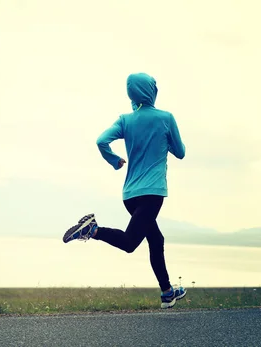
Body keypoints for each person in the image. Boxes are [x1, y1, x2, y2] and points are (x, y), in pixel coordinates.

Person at [62, 72, 187, 309]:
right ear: (152, 91)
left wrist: (114, 160)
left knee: (156, 239)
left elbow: (101, 141)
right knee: (130, 243)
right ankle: (92, 229)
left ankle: (167, 293)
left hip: (130, 196)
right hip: (152, 194)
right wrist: (164, 141)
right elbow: (180, 152)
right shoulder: (166, 118)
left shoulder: (125, 120)